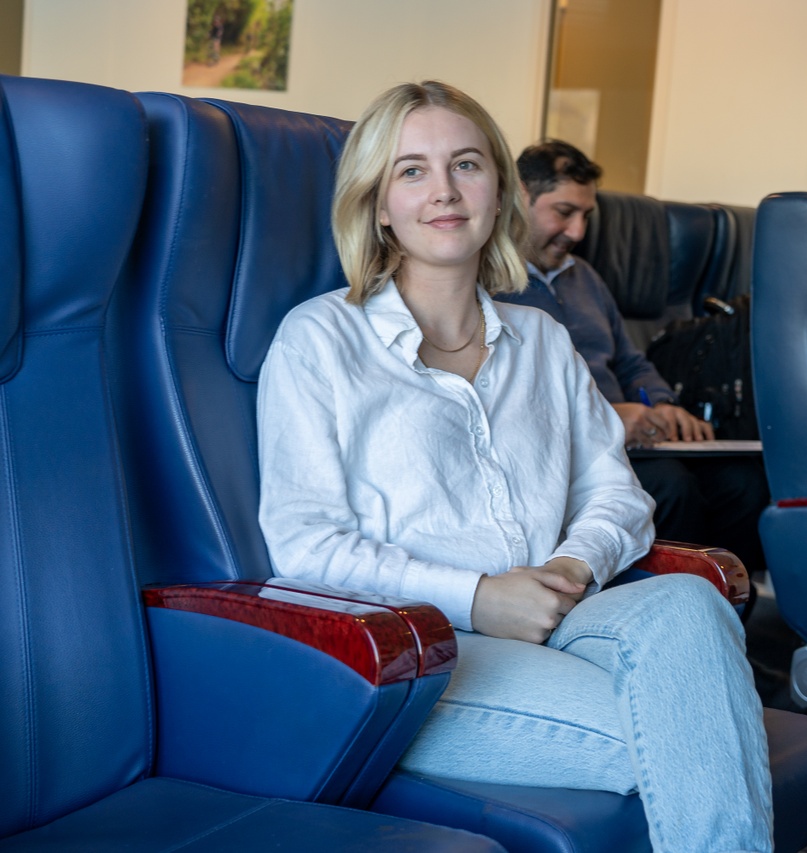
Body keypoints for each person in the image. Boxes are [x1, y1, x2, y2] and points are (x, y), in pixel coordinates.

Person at [256, 81, 773, 853]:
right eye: (411, 171)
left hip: (564, 608)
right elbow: (305, 548)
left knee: (689, 607)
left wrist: (569, 565)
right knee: (696, 734)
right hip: (421, 651)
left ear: (498, 191)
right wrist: (480, 597)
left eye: (465, 164)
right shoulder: (318, 340)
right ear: (377, 203)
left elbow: (616, 495)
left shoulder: (542, 338)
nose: (444, 191)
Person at [495, 139, 769, 579]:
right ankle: (658, 599)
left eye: (586, 215)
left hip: (633, 441)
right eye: (564, 212)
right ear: (518, 197)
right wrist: (609, 416)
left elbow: (630, 361)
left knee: (743, 484)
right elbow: (513, 396)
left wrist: (663, 405)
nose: (578, 232)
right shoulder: (492, 283)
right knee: (671, 487)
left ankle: (731, 609)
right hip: (571, 447)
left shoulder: (586, 278)